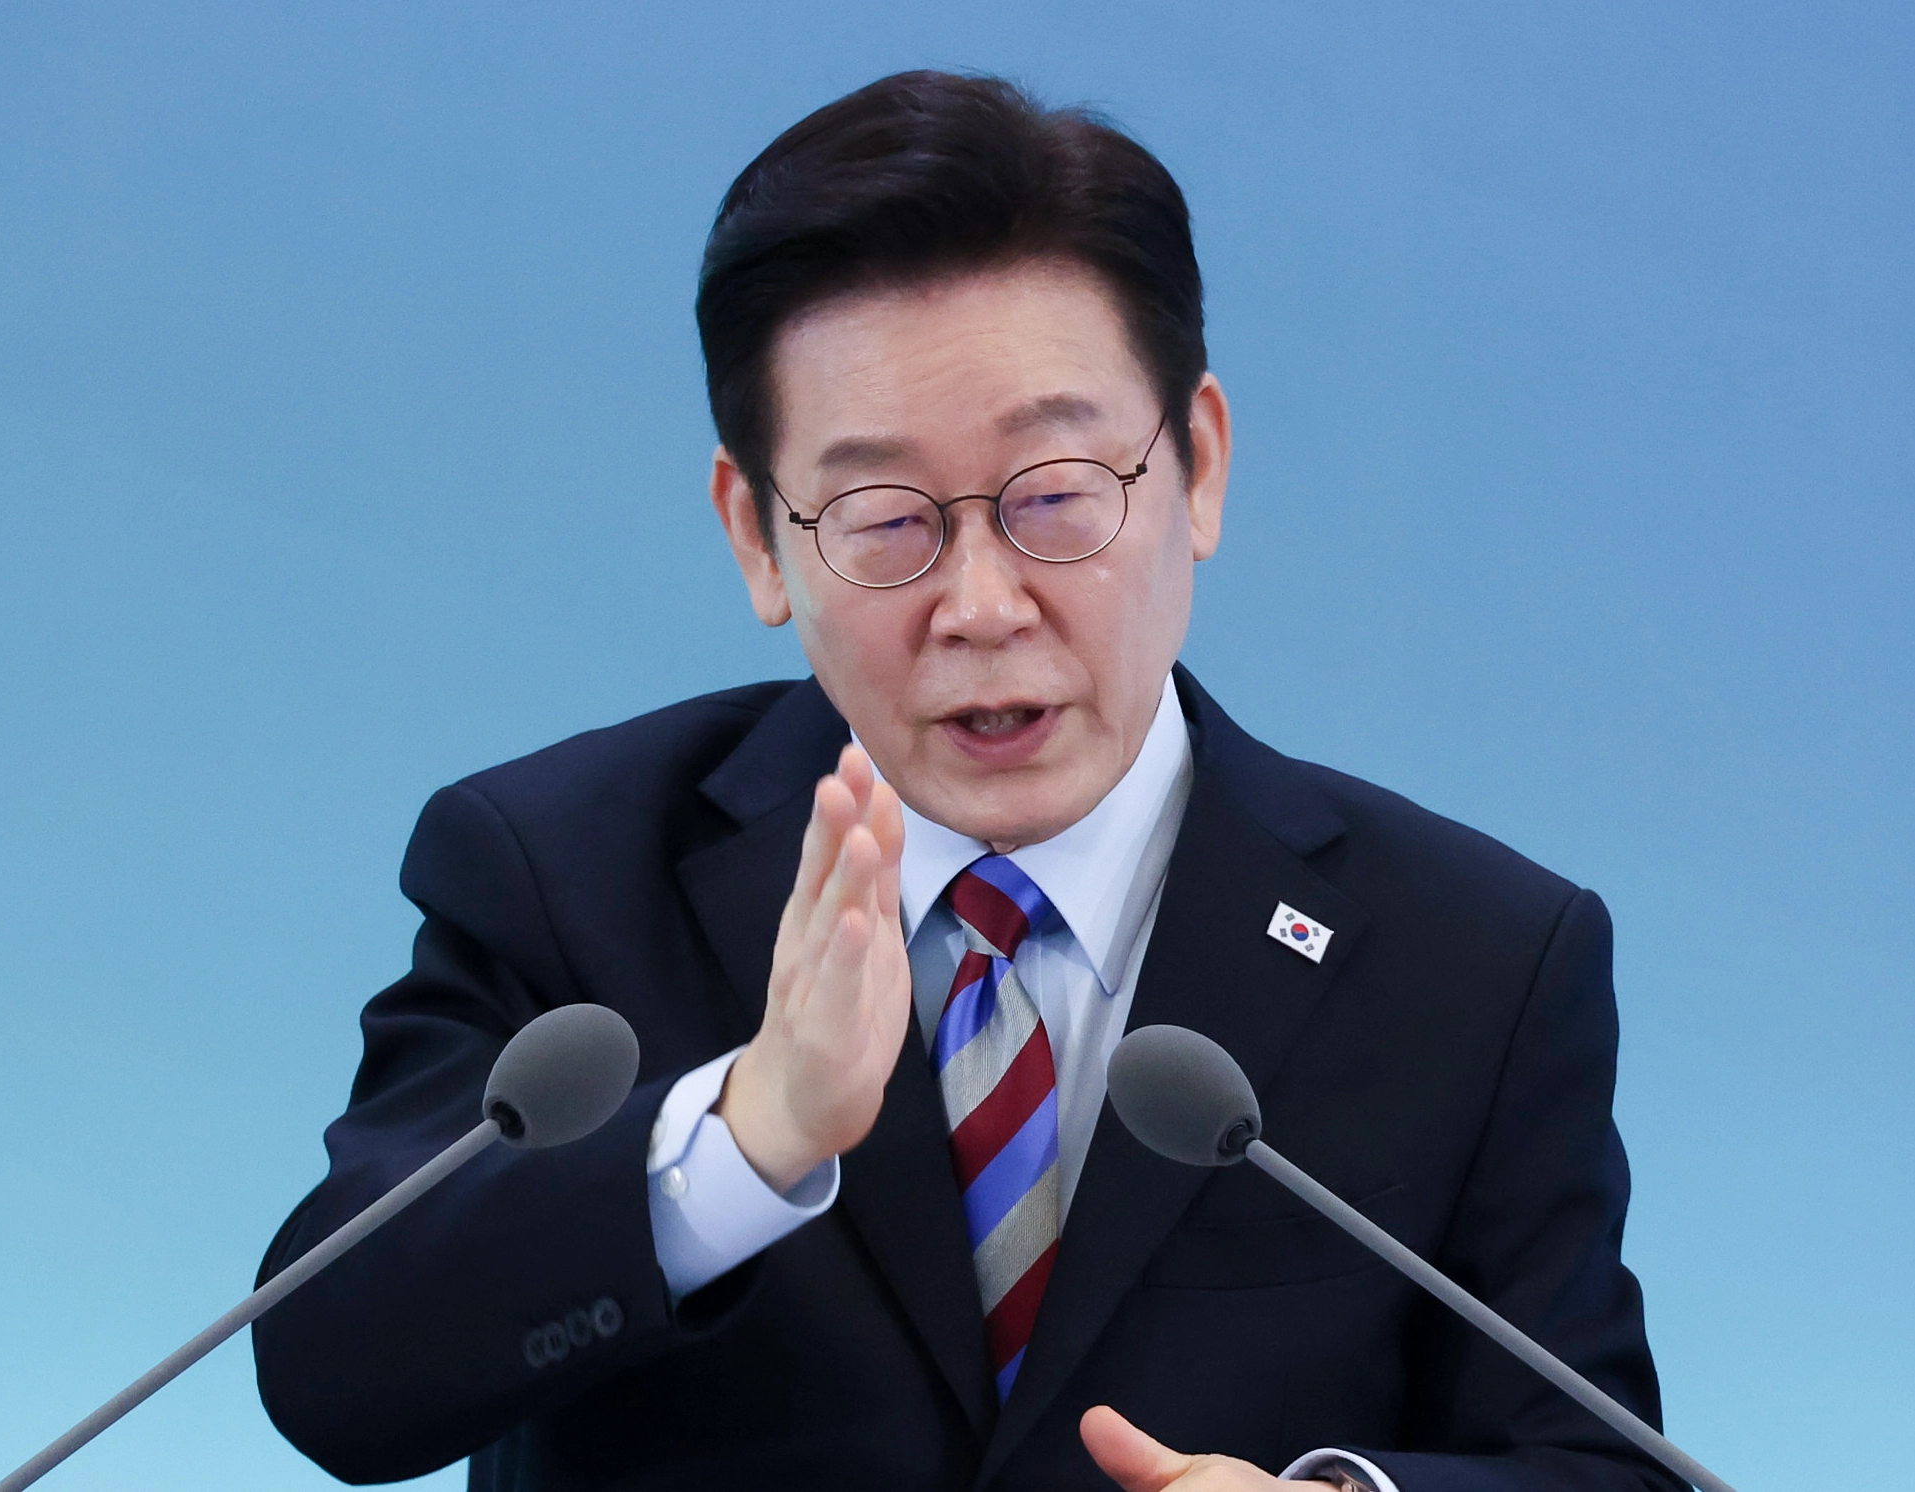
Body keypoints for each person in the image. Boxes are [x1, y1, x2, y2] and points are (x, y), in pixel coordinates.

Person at [252, 72, 1680, 1492]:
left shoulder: (1479, 956)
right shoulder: (558, 873)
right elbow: (334, 1373)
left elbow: (1602, 1466)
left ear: (1198, 468)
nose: (983, 606)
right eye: (885, 520)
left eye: (1056, 496)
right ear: (757, 537)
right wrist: (749, 1136)